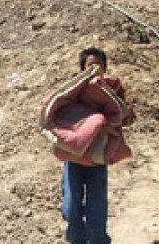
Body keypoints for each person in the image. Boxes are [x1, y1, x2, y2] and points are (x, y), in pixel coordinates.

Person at [59, 48, 135, 244]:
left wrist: (109, 123)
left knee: (97, 209)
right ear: (82, 68)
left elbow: (128, 116)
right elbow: (59, 113)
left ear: (104, 67)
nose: (93, 68)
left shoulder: (113, 88)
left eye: (97, 64)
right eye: (89, 65)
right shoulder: (73, 90)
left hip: (98, 159)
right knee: (70, 207)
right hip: (74, 158)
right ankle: (77, 236)